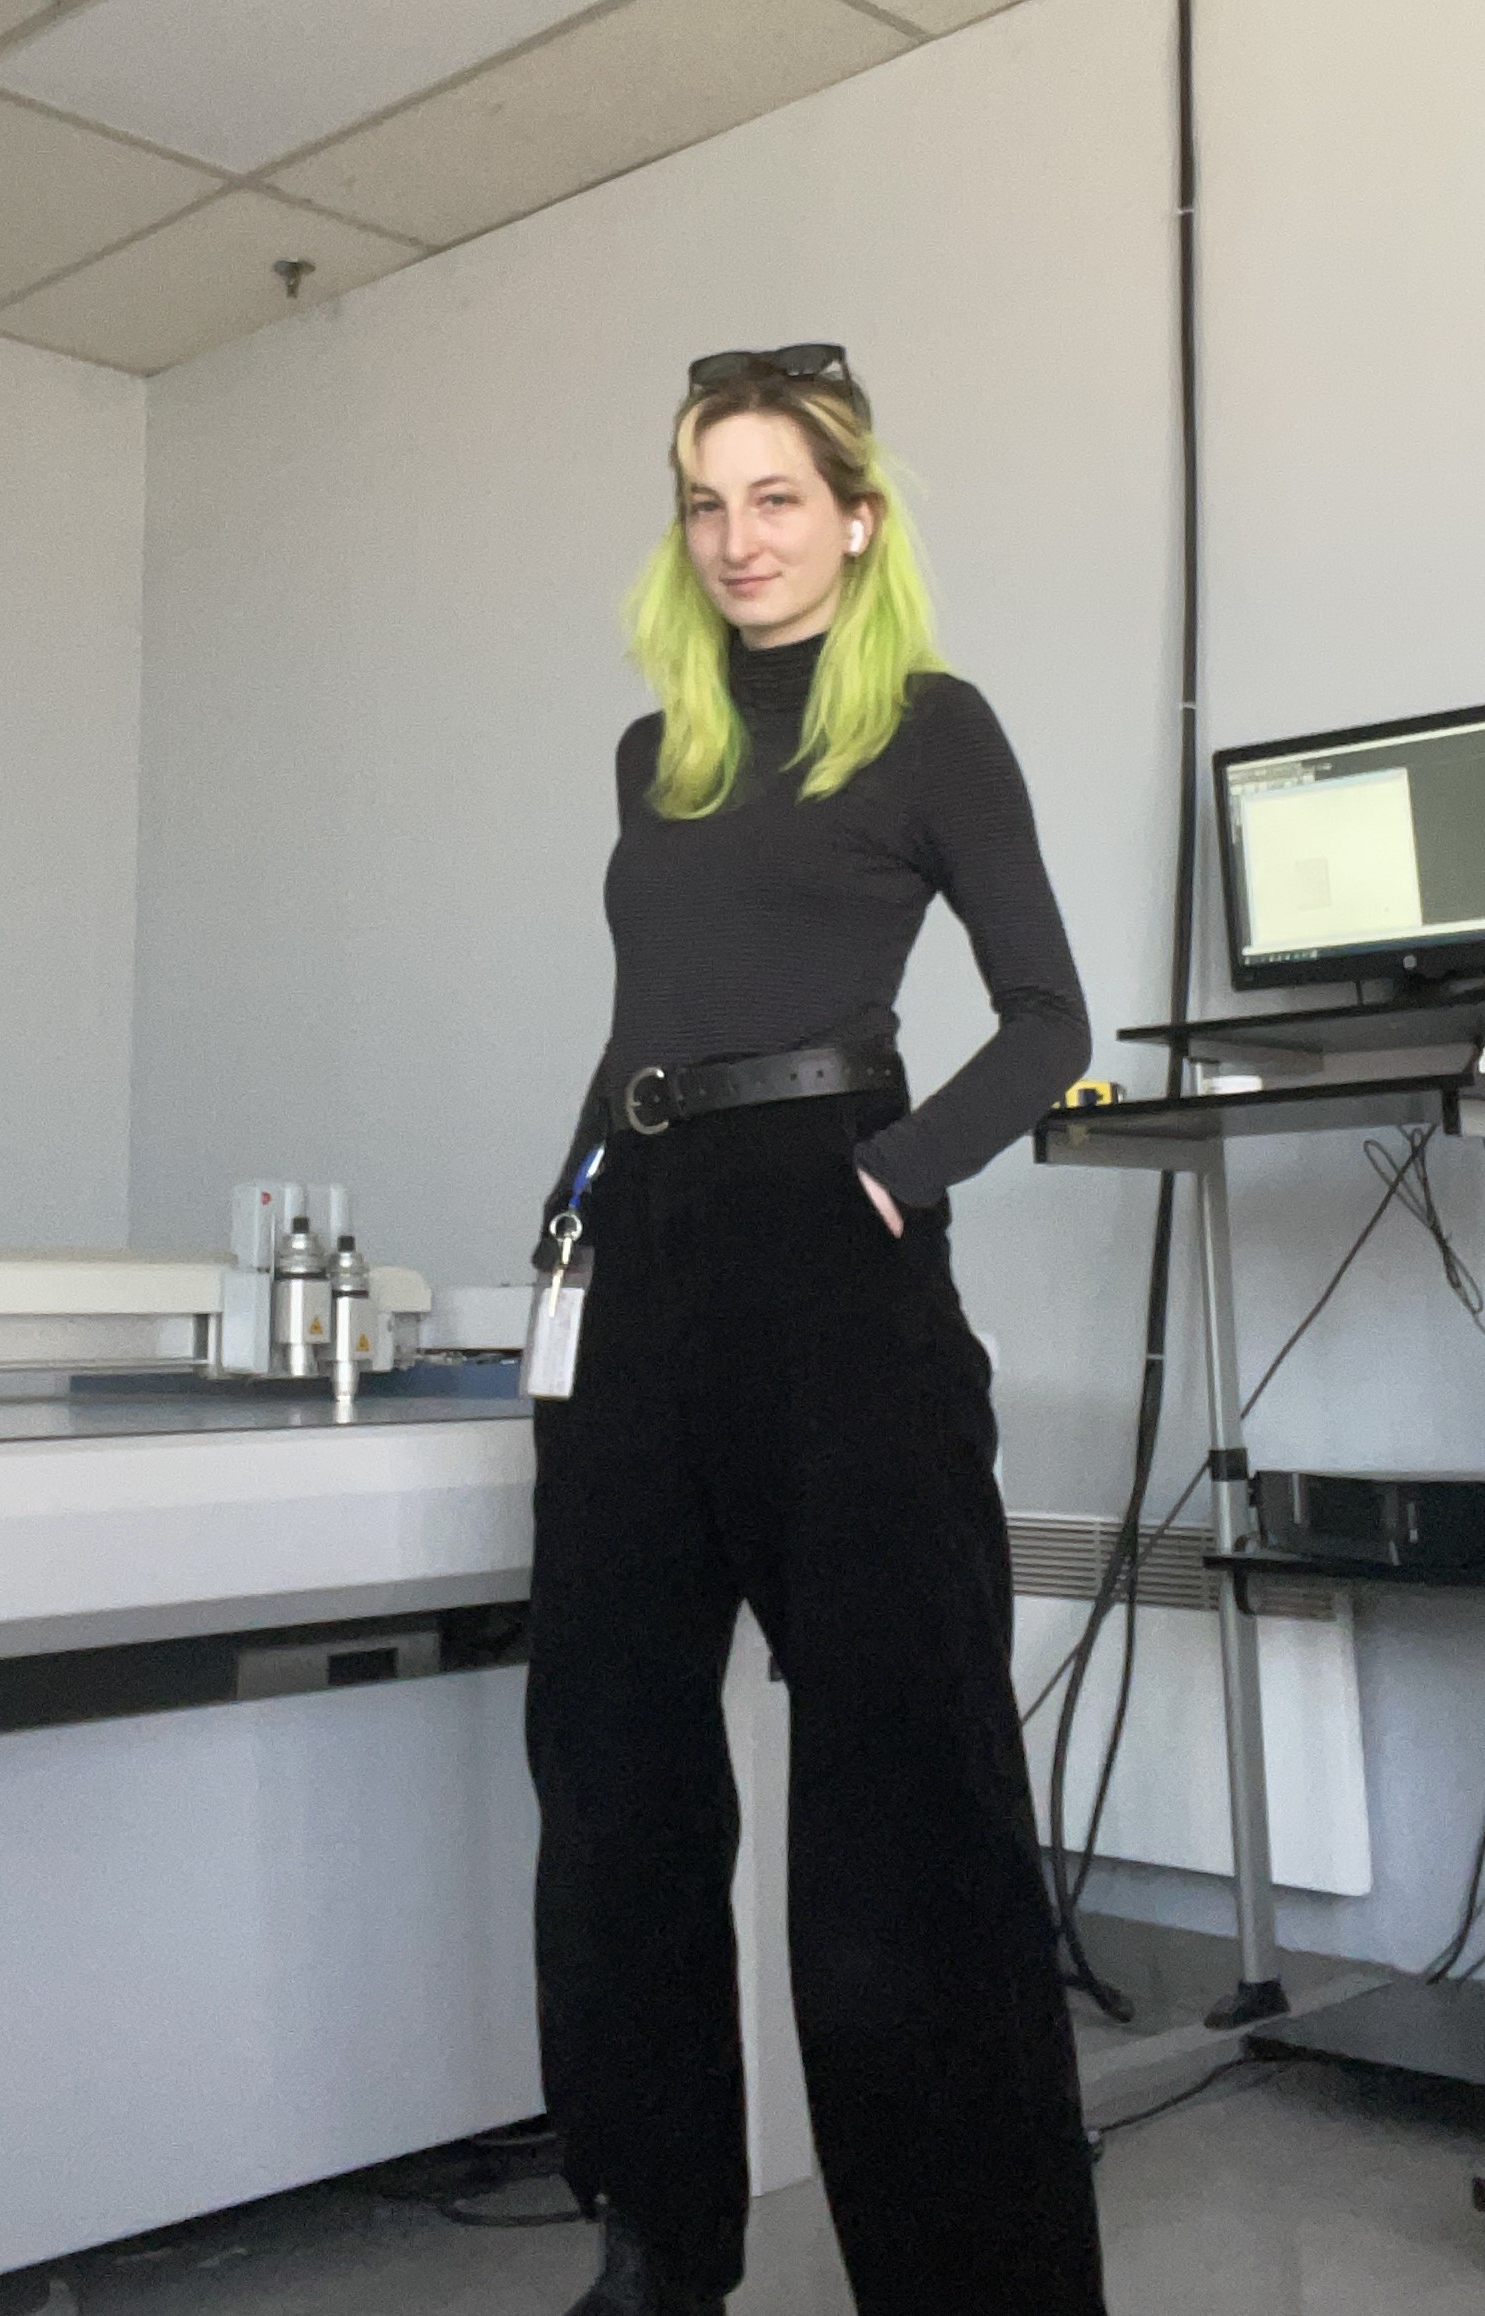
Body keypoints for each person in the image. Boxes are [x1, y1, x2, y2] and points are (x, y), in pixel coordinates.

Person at [525, 345, 1106, 2316]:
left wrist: (898, 1172)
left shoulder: (932, 730)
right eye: (706, 502)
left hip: (828, 1228)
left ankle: (973, 2286)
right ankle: (656, 2244)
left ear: (856, 521)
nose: (738, 539)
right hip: (640, 1236)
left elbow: (1048, 1018)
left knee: (899, 1785)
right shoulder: (656, 753)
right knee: (609, 1765)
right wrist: (570, 1215)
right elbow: (645, 1024)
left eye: (777, 498)